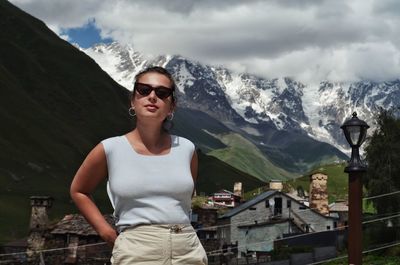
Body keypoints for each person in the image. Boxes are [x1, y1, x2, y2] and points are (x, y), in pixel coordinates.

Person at [70, 66, 208, 265]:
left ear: (171, 107)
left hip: (187, 248)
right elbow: (79, 191)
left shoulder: (187, 149)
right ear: (133, 100)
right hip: (136, 249)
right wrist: (107, 233)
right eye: (144, 90)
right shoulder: (109, 148)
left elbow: (185, 198)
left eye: (162, 93)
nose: (152, 96)